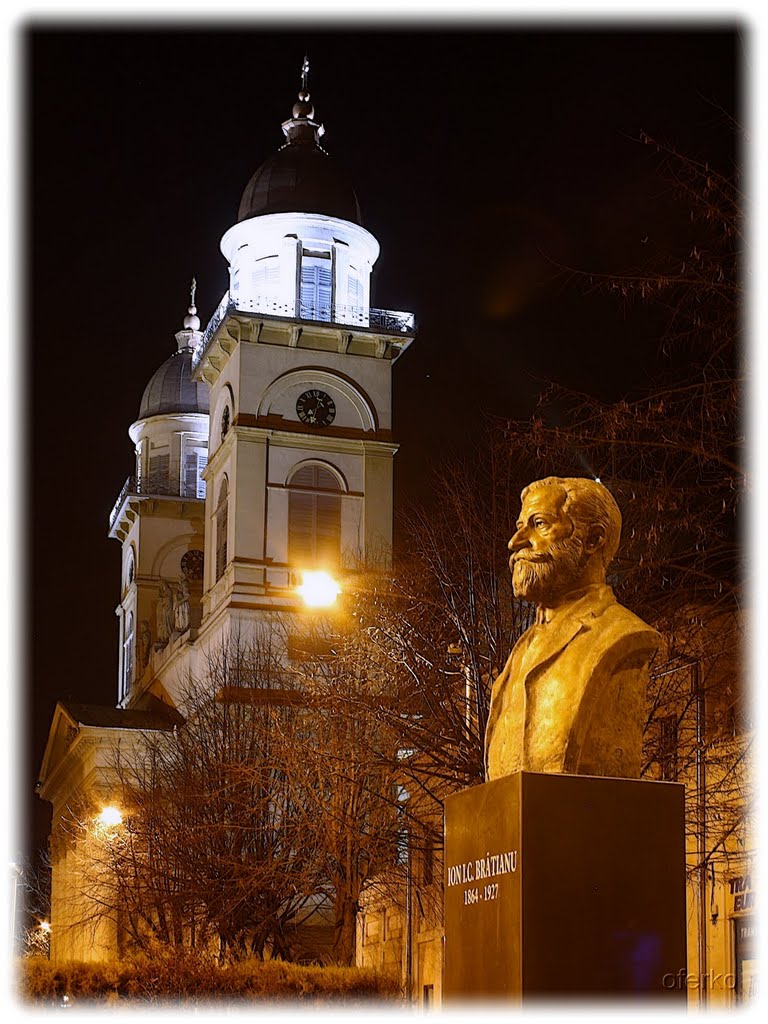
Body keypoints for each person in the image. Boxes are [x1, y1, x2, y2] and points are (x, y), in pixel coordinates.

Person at [485, 476, 659, 781]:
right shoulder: (518, 654)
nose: (516, 543)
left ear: (593, 539)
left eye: (539, 524)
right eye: (520, 526)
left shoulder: (621, 635)